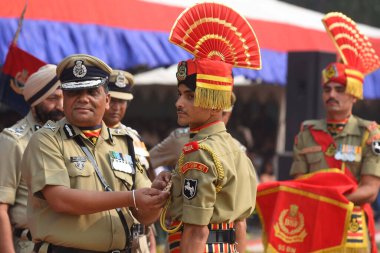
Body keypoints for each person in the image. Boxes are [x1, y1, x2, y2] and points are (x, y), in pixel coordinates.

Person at [21, 54, 169, 253]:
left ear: (107, 99)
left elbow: (144, 216)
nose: (83, 99)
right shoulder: (47, 140)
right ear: (64, 98)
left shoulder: (124, 142)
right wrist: (131, 197)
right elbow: (60, 199)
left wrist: (156, 197)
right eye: (74, 92)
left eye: (92, 91)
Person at [157, 3, 260, 252]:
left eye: (190, 96)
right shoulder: (236, 150)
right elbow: (240, 225)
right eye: (180, 94)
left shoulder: (199, 152)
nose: (179, 103)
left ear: (215, 104)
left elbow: (195, 231)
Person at [290, 12, 380, 252]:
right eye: (327, 89)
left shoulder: (369, 133)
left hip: (352, 228)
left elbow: (370, 190)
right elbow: (299, 182)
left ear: (354, 93)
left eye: (339, 89)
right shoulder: (307, 132)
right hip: (314, 223)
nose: (331, 95)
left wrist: (332, 202)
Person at [0, 64, 64, 253]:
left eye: (63, 98)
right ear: (35, 101)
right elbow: (1, 208)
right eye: (52, 98)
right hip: (30, 245)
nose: (60, 106)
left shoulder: (67, 137)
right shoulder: (13, 140)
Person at [103, 69, 156, 253]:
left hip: (138, 234)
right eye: (113, 100)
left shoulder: (133, 137)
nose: (117, 107)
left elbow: (148, 180)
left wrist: (150, 239)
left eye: (123, 101)